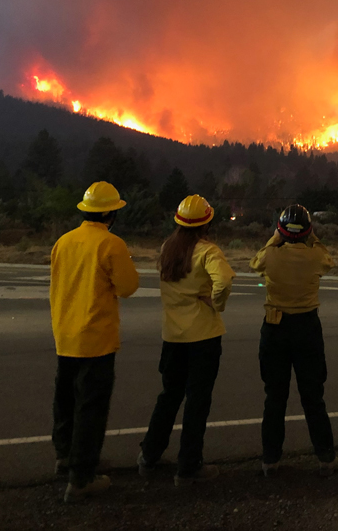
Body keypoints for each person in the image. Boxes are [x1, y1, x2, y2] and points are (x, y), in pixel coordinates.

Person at [50, 181, 140, 502]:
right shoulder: (111, 244)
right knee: (91, 407)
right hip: (96, 338)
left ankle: (65, 456)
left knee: (66, 400)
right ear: (112, 214)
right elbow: (128, 287)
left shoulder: (63, 242)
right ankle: (82, 477)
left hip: (65, 335)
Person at [138, 194, 235, 486]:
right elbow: (225, 281)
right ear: (207, 222)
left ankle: (149, 456)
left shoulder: (169, 248)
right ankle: (189, 466)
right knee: (197, 401)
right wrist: (215, 303)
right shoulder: (208, 251)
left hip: (172, 336)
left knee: (169, 396)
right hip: (203, 337)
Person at [250, 204, 338, 477]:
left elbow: (256, 263)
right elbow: (328, 259)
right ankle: (325, 457)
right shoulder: (316, 257)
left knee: (274, 397)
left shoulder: (270, 257)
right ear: (308, 232)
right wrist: (312, 238)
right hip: (307, 328)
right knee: (313, 397)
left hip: (275, 328)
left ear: (281, 231)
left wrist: (276, 237)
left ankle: (270, 460)